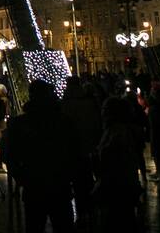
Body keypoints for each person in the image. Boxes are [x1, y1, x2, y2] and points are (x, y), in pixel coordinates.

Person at [2, 80, 78, 233]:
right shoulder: (63, 122)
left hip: (35, 185)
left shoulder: (20, 124)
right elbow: (76, 153)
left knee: (35, 225)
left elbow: (8, 154)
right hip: (58, 185)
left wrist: (21, 176)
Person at [94, 97, 142, 230]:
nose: (102, 112)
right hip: (121, 184)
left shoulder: (117, 133)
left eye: (105, 109)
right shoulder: (118, 131)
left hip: (117, 185)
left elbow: (114, 158)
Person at [61, 76, 102, 222]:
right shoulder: (88, 103)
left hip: (73, 148)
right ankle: (90, 209)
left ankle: (82, 211)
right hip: (87, 146)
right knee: (87, 179)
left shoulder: (66, 103)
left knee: (77, 181)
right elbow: (96, 124)